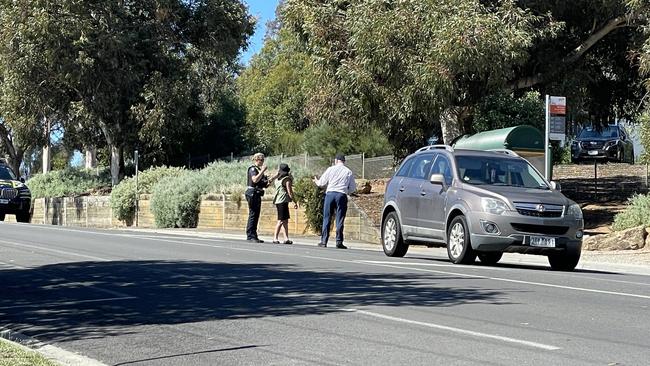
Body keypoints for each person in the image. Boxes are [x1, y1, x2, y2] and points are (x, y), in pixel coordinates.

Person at [313, 154, 356, 249]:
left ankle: (324, 241)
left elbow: (321, 183)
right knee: (340, 218)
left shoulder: (330, 169)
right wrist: (345, 191)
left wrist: (316, 181)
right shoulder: (348, 171)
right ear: (344, 161)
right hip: (341, 195)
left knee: (327, 218)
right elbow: (353, 188)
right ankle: (339, 241)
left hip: (330, 194)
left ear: (336, 160)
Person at [245, 153, 271, 243]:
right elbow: (254, 180)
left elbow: (265, 184)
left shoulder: (259, 170)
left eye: (263, 160)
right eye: (261, 160)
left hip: (257, 193)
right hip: (252, 193)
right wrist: (262, 171)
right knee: (253, 214)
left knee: (256, 214)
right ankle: (250, 235)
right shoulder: (253, 169)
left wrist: (273, 177)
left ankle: (254, 235)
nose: (263, 162)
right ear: (257, 160)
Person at [272, 163, 298, 244]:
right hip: (282, 201)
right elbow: (290, 192)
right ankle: (275, 238)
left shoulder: (277, 180)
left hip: (278, 200)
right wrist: (295, 201)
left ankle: (286, 238)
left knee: (285, 220)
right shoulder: (287, 180)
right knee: (281, 220)